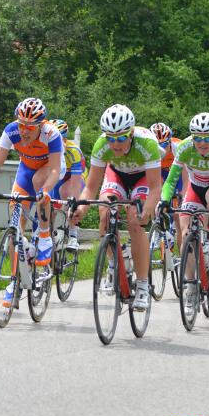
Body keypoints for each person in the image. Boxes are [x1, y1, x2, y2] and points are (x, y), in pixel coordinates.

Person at [71, 104, 163, 312]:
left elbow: (156, 187)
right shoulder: (101, 145)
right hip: (117, 175)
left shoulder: (147, 143)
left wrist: (145, 211)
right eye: (111, 138)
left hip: (142, 178)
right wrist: (81, 209)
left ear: (130, 134)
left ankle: (142, 285)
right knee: (105, 208)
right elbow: (91, 187)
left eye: (121, 138)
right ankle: (113, 265)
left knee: (134, 220)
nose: (115, 144)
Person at [0, 98, 64, 309]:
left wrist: (45, 191)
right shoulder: (11, 131)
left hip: (50, 169)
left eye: (30, 127)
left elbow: (55, 169)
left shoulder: (51, 134)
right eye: (21, 125)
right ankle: (14, 280)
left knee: (39, 184)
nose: (24, 131)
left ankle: (44, 235)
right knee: (15, 223)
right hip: (26, 170)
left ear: (41, 125)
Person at [158, 112, 209, 308]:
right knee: (185, 235)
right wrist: (164, 200)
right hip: (194, 188)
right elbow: (170, 181)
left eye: (207, 138)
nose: (202, 143)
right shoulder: (184, 148)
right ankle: (191, 286)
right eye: (198, 138)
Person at [48, 119, 85, 251]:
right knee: (49, 203)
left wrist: (73, 204)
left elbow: (75, 184)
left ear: (65, 139)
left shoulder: (73, 151)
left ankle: (73, 236)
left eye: (60, 139)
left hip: (75, 177)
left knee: (67, 193)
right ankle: (49, 236)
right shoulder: (47, 149)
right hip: (59, 176)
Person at [152, 121, 187, 251]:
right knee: (154, 197)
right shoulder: (149, 149)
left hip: (178, 174)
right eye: (158, 145)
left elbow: (185, 171)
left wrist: (183, 192)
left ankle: (182, 253)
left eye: (165, 144)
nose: (162, 148)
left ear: (170, 141)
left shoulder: (178, 146)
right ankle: (156, 227)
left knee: (177, 217)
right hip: (160, 172)